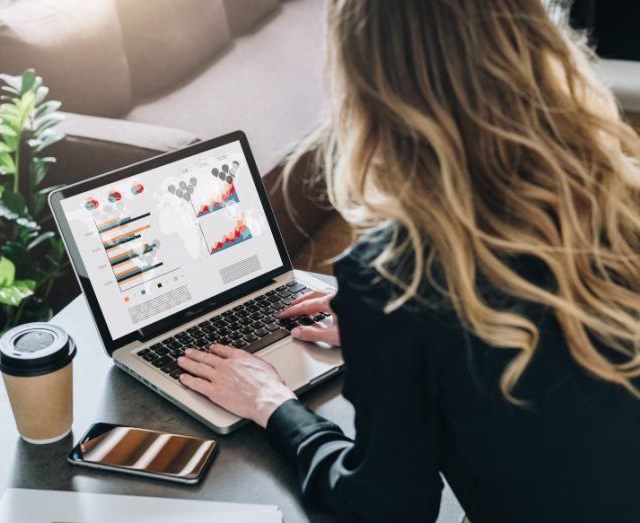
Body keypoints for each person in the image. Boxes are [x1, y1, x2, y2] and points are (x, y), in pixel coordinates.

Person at [177, 1, 640, 521]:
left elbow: (386, 508)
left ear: (368, 88)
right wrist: (393, 332)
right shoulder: (619, 192)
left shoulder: (395, 278)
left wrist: (273, 404)